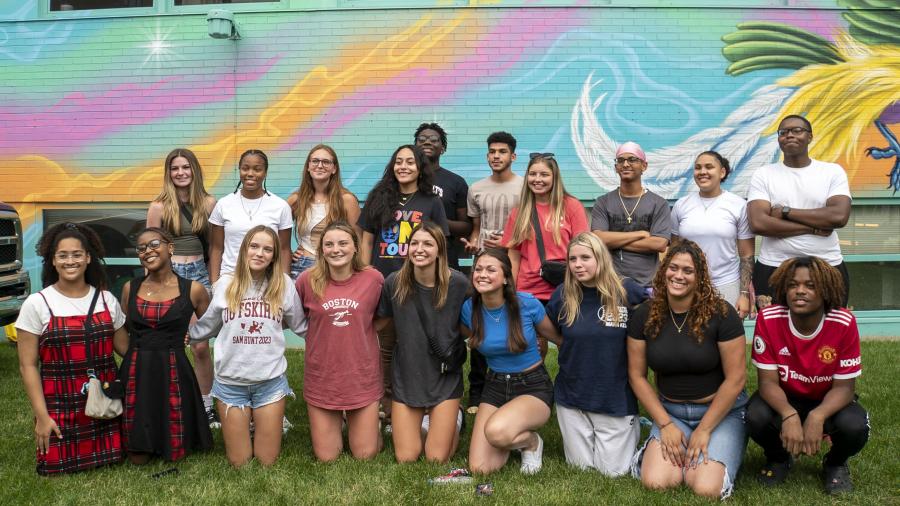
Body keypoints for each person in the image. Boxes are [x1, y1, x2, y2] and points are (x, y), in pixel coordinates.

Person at [626, 240, 748, 499]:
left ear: (700, 277)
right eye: (674, 268)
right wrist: (666, 424)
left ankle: (720, 447)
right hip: (671, 412)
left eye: (688, 271)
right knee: (658, 482)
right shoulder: (644, 315)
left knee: (705, 488)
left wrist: (704, 429)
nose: (678, 276)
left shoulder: (722, 314)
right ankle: (661, 444)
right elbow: (637, 376)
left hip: (720, 413)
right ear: (663, 270)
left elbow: (736, 379)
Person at [746, 256, 868, 495]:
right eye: (792, 285)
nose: (800, 291)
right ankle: (779, 458)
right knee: (754, 416)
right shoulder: (769, 318)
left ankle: (834, 464)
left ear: (826, 290)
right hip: (785, 397)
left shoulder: (843, 321)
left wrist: (817, 415)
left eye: (810, 285)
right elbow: (767, 383)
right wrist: (789, 414)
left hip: (827, 400)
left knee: (855, 425)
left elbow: (845, 388)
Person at [15, 222, 129, 475]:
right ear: (52, 261)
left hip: (104, 406)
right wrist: (42, 418)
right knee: (55, 466)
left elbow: (126, 350)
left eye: (77, 254)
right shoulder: (37, 303)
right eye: (62, 255)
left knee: (113, 461)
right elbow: (28, 365)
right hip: (59, 405)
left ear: (88, 258)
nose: (70, 261)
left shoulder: (106, 299)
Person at [190, 225, 307, 467]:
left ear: (274, 256)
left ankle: (266, 423)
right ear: (244, 250)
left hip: (270, 382)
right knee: (240, 462)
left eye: (267, 249)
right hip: (231, 385)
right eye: (254, 246)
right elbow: (208, 326)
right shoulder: (225, 284)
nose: (259, 253)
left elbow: (301, 326)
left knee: (267, 461)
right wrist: (181, 334)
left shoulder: (283, 284)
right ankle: (246, 425)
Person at [358, 144, 449, 427]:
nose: (404, 167)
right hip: (383, 283)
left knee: (416, 344)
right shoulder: (379, 197)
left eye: (410, 162)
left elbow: (441, 242)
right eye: (399, 162)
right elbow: (367, 239)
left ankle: (420, 400)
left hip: (418, 283)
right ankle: (385, 402)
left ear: (420, 167)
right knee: (385, 344)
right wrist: (365, 271)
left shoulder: (431, 201)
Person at [545, 232, 642, 476]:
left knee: (614, 473)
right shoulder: (562, 295)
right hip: (572, 396)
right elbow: (550, 330)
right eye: (572, 259)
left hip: (614, 396)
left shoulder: (627, 291)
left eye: (585, 258)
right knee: (581, 470)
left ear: (601, 258)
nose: (578, 265)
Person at [461, 249, 561, 475]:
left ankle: (531, 442)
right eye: (478, 269)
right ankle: (511, 433)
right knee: (481, 468)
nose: (482, 274)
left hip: (532, 386)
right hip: (495, 386)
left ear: (506, 277)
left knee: (496, 432)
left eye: (490, 269)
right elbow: (464, 334)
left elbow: (557, 338)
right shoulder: (469, 310)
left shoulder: (527, 304)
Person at [119, 227, 213, 464]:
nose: (147, 251)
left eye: (153, 244)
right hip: (136, 371)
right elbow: (124, 330)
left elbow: (212, 327)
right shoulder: (130, 288)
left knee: (174, 450)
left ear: (170, 248)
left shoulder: (194, 290)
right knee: (137, 458)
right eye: (141, 248)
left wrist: (190, 336)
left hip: (173, 369)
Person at [378, 222, 469, 463]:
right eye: (414, 243)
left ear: (440, 250)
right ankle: (431, 425)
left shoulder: (458, 284)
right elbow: (381, 324)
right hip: (407, 375)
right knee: (407, 456)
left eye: (428, 244)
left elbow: (475, 319)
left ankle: (454, 418)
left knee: (436, 459)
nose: (420, 249)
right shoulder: (394, 283)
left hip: (444, 376)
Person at [296, 221, 384, 461]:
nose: (336, 249)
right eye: (329, 244)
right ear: (321, 250)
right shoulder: (307, 280)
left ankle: (371, 422)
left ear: (355, 247)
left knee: (365, 454)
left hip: (361, 374)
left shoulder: (373, 279)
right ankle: (342, 421)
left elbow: (383, 318)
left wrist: (360, 332)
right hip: (324, 376)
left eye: (343, 243)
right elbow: (296, 318)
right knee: (327, 457)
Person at [145, 147, 218, 428]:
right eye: (175, 168)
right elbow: (150, 250)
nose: (180, 173)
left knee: (200, 345)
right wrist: (150, 286)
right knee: (168, 342)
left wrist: (214, 281)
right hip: (169, 275)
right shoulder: (158, 206)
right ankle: (168, 401)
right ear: (168, 173)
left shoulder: (210, 204)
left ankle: (206, 404)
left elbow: (215, 246)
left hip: (199, 274)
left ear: (194, 170)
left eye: (185, 167)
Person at [747, 115, 852, 308]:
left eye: (797, 130)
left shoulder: (831, 172)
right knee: (774, 331)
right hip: (774, 266)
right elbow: (758, 223)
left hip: (826, 265)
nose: (789, 135)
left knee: (828, 330)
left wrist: (786, 211)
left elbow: (838, 216)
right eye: (783, 132)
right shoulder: (764, 175)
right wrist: (812, 229)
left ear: (810, 137)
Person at [502, 152, 588, 355]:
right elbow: (513, 254)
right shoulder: (519, 210)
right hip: (529, 289)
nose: (537, 179)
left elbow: (584, 248)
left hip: (565, 287)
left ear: (554, 177)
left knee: (568, 342)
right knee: (534, 345)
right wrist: (511, 290)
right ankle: (537, 385)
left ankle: (568, 385)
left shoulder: (571, 206)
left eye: (544, 174)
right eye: (533, 174)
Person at [461, 131, 523, 414]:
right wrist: (474, 243)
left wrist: (509, 242)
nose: (496, 156)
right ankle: (477, 394)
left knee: (512, 323)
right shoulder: (476, 188)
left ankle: (516, 388)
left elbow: (529, 229)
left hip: (513, 263)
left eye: (502, 151)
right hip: (483, 267)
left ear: (513, 156)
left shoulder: (525, 188)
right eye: (492, 152)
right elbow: (476, 229)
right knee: (480, 324)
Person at [671, 151, 754, 318]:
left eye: (709, 167)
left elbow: (747, 254)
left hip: (726, 284)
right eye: (698, 168)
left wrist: (744, 294)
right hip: (687, 285)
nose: (702, 172)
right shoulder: (681, 205)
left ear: (722, 172)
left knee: (725, 338)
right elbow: (674, 250)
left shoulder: (738, 205)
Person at [591, 141, 671, 288]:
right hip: (610, 284)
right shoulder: (603, 202)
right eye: (621, 160)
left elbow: (659, 244)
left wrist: (613, 242)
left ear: (644, 166)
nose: (626, 164)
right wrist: (640, 234)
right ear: (616, 167)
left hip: (648, 285)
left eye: (632, 159)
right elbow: (598, 239)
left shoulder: (659, 203)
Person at [207, 149, 293, 285]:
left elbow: (284, 249)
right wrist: (214, 283)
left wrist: (285, 283)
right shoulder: (224, 204)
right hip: (230, 278)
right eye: (245, 168)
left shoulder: (280, 206)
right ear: (239, 170)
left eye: (257, 169)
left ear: (265, 173)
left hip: (267, 280)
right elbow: (216, 248)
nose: (250, 174)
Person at [285, 144, 361, 280]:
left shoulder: (347, 200)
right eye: (315, 161)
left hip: (337, 269)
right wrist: (288, 254)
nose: (320, 166)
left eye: (326, 162)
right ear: (308, 167)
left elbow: (358, 240)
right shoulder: (295, 200)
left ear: (334, 169)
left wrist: (358, 271)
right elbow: (277, 233)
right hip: (302, 267)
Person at [414, 123, 471, 270]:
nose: (427, 142)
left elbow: (466, 226)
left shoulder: (456, 182)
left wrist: (436, 220)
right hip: (407, 256)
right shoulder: (403, 178)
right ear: (414, 147)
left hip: (444, 257)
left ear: (443, 149)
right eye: (422, 139)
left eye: (434, 139)